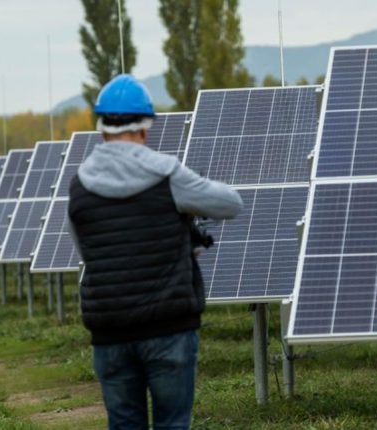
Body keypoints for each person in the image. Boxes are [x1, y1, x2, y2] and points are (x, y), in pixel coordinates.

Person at [67, 74, 243, 429]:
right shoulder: (168, 174)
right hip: (169, 328)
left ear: (101, 129)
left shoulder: (80, 185)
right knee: (172, 423)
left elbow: (86, 250)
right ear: (145, 129)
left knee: (124, 424)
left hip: (110, 331)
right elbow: (230, 203)